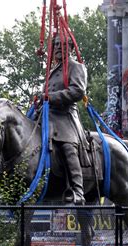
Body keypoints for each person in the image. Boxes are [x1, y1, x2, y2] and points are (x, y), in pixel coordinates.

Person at [42, 35, 91, 205]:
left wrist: (49, 97)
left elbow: (77, 92)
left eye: (61, 45)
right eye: (55, 44)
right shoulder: (53, 70)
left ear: (69, 47)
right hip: (47, 115)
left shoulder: (76, 67)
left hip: (65, 116)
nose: (56, 48)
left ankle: (78, 190)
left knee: (67, 147)